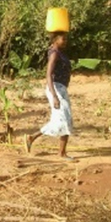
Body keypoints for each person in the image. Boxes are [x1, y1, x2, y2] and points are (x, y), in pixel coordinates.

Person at [26, 31, 75, 161]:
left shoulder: (58, 52)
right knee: (65, 120)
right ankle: (62, 153)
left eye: (66, 39)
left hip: (61, 88)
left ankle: (32, 137)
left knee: (61, 119)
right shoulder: (54, 54)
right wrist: (54, 96)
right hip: (56, 88)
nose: (65, 42)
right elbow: (48, 75)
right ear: (55, 39)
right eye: (63, 39)